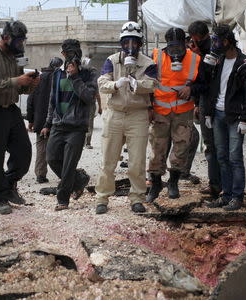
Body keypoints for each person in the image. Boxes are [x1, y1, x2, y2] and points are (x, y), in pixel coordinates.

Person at [0, 21, 40, 214]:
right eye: (18, 40)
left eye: (23, 40)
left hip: (10, 109)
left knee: (24, 151)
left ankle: (9, 184)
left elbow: (21, 87)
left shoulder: (19, 56)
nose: (21, 44)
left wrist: (32, 83)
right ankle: (0, 198)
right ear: (6, 38)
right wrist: (16, 81)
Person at [95, 21, 158, 214]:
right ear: (121, 43)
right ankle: (102, 198)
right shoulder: (112, 61)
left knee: (137, 161)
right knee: (108, 159)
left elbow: (153, 84)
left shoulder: (148, 63)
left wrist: (135, 84)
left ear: (140, 43)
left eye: (134, 42)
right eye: (126, 42)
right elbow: (101, 82)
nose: (130, 46)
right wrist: (116, 84)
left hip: (137, 114)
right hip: (115, 113)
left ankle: (137, 197)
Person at [203, 24, 246, 211]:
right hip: (217, 114)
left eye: (217, 41)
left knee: (235, 157)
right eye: (213, 41)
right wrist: (208, 112)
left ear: (227, 41)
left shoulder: (245, 64)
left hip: (235, 116)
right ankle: (225, 195)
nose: (215, 44)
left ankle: (237, 196)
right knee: (222, 156)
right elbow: (211, 89)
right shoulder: (217, 62)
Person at [40, 39, 98, 211]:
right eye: (69, 53)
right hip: (58, 125)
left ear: (79, 53)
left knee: (68, 165)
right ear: (63, 55)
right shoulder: (57, 73)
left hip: (77, 127)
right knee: (51, 158)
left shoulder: (89, 73)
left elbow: (88, 97)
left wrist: (75, 77)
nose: (72, 56)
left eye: (75, 52)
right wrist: (48, 123)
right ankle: (79, 181)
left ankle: (62, 199)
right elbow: (52, 100)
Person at [147, 27, 200, 202]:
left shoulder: (195, 59)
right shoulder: (156, 57)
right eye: (172, 48)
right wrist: (148, 107)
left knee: (181, 147)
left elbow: (204, 83)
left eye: (179, 48)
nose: (175, 52)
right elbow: (147, 84)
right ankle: (155, 184)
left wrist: (192, 89)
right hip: (160, 111)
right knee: (157, 148)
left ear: (185, 43)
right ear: (166, 45)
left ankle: (173, 182)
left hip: (183, 112)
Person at [187, 20, 222, 198]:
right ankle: (216, 184)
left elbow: (205, 77)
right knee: (212, 145)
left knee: (215, 145)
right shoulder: (207, 48)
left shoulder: (213, 50)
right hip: (205, 100)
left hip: (212, 101)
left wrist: (198, 56)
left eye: (195, 39)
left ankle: (218, 185)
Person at [27, 57, 63, 184]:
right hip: (59, 119)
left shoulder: (39, 78)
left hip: (40, 120)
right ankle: (63, 173)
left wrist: (31, 120)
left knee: (41, 148)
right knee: (59, 148)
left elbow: (30, 100)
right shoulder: (61, 78)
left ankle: (40, 174)